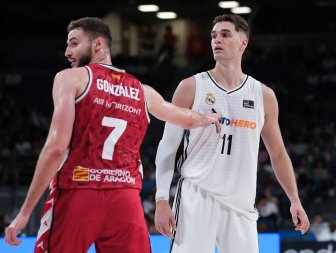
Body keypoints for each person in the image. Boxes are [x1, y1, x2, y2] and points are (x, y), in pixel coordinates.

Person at [4, 17, 220, 253]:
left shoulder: (70, 78)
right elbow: (186, 118)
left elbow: (56, 148)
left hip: (79, 190)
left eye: (74, 43)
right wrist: (207, 118)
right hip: (126, 199)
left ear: (97, 45)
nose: (67, 52)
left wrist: (24, 212)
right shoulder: (142, 90)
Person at [154, 14, 310, 253]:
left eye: (225, 35)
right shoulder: (191, 87)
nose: (217, 40)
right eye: (214, 36)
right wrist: (161, 199)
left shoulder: (263, 95)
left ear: (243, 43)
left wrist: (294, 199)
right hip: (197, 194)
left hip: (241, 203)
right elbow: (168, 146)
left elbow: (278, 153)